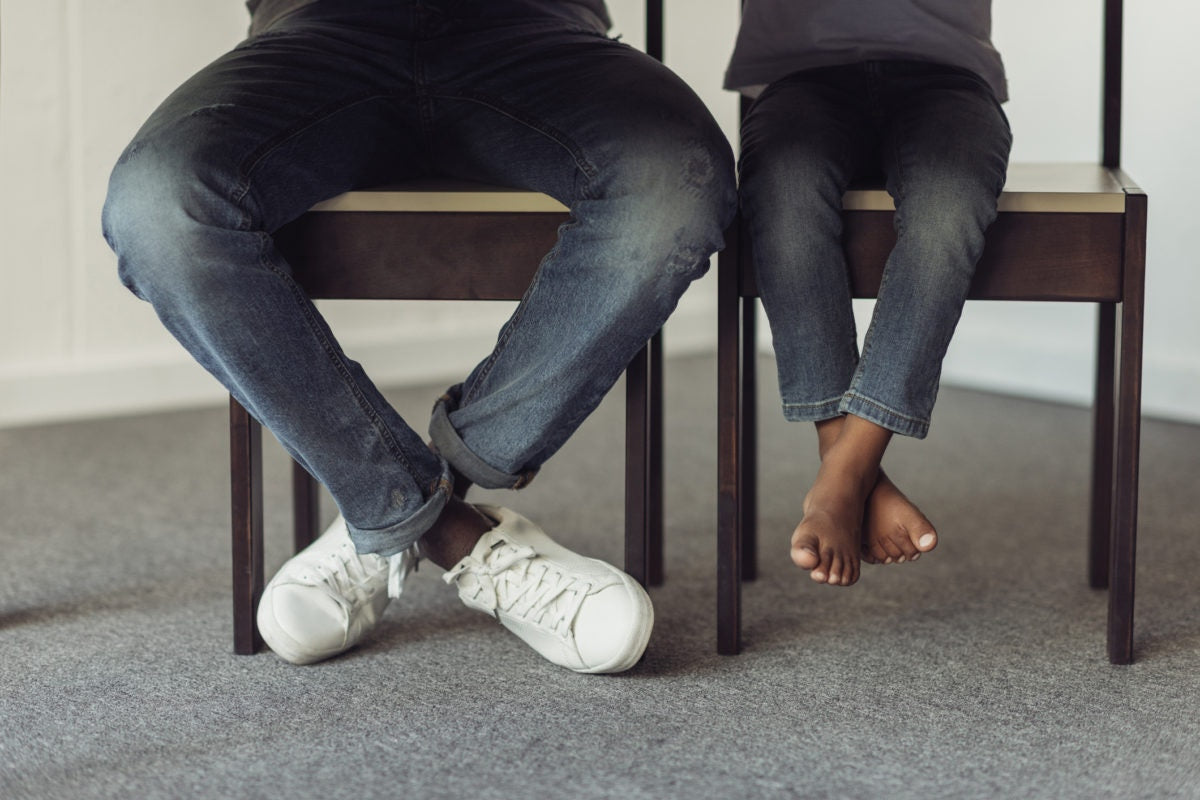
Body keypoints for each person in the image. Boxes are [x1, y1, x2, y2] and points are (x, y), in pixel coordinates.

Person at [102, 0, 735, 672]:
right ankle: (455, 536)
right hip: (320, 37)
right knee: (156, 206)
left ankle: (392, 509)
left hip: (533, 32)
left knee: (675, 183)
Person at [726, 1, 1012, 586]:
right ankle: (850, 468)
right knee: (784, 194)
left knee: (949, 207)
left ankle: (844, 473)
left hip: (946, 72)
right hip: (798, 73)